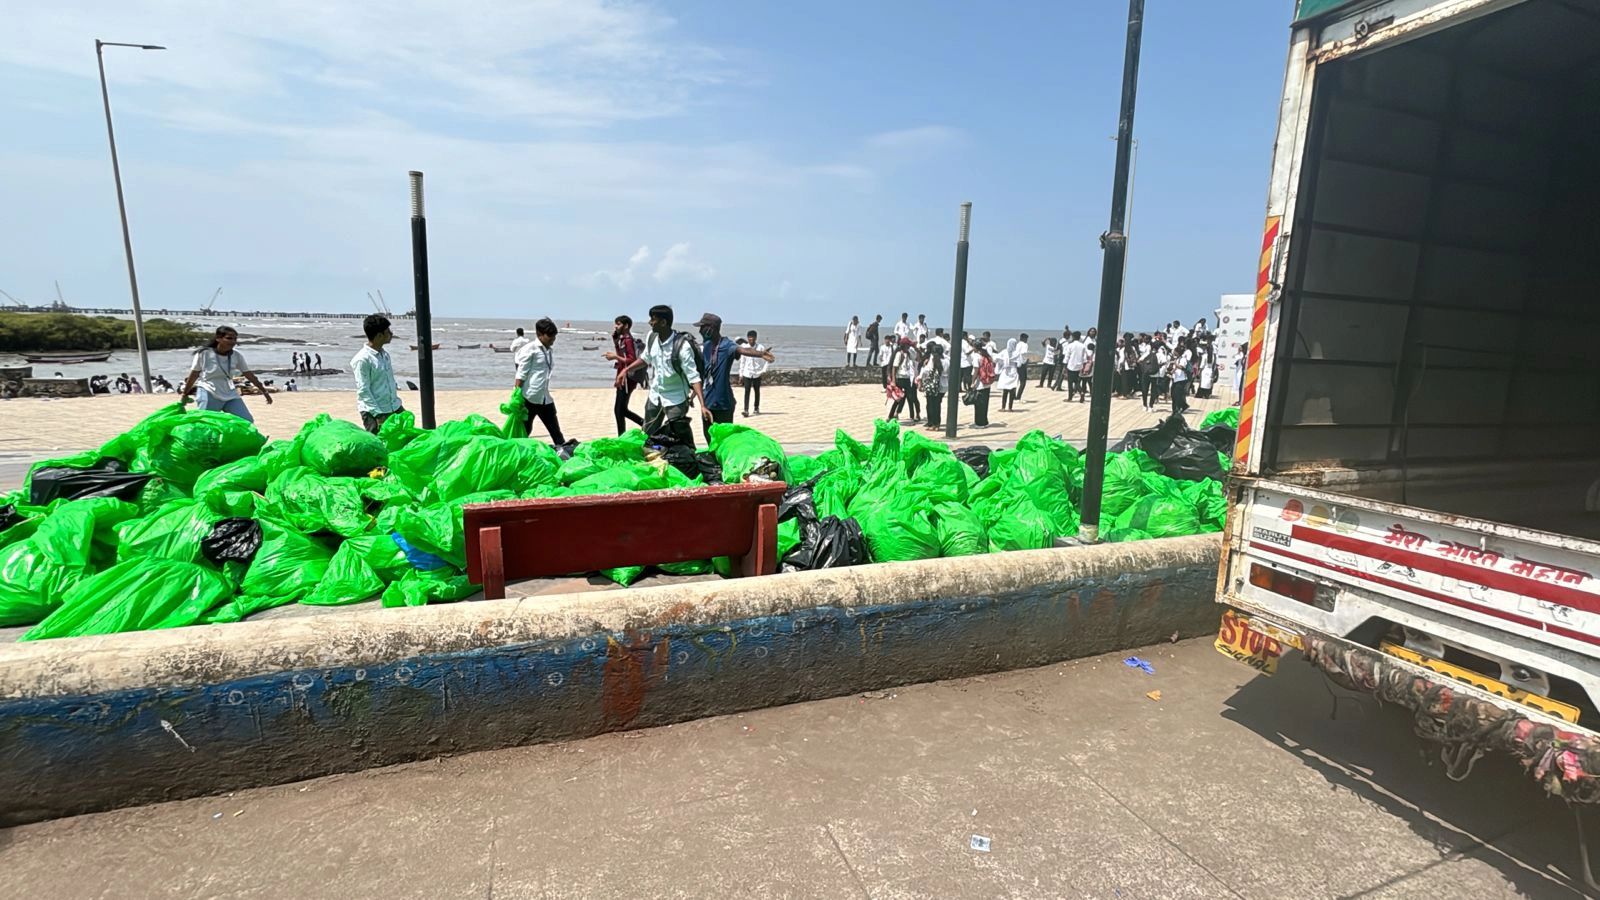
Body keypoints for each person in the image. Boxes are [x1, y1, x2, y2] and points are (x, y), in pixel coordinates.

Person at [693, 313, 773, 442]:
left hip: (724, 404)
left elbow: (742, 350)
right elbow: (704, 373)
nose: (700, 330)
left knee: (725, 442)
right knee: (709, 439)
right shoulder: (706, 345)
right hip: (707, 403)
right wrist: (694, 396)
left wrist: (761, 354)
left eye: (702, 327)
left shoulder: (727, 345)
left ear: (711, 328)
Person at [181, 326, 273, 422]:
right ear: (218, 339)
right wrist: (185, 393)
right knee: (206, 422)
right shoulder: (204, 354)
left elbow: (249, 374)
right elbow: (194, 374)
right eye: (229, 338)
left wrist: (264, 391)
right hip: (209, 391)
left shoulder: (236, 356)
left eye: (235, 339)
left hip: (230, 393)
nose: (233, 341)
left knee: (246, 421)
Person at [514, 318, 565, 445]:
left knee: (556, 432)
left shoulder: (548, 350)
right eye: (550, 336)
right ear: (539, 334)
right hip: (529, 397)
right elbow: (521, 374)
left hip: (544, 398)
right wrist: (516, 395)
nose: (553, 338)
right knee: (525, 431)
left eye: (554, 336)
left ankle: (565, 456)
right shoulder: (530, 349)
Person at [351, 314, 403, 434]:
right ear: (379, 336)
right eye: (388, 331)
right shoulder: (362, 359)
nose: (391, 333)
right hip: (374, 411)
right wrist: (378, 415)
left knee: (406, 440)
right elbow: (364, 390)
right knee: (378, 446)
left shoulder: (384, 355)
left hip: (394, 406)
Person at [602, 315, 647, 435]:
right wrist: (616, 343)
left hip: (628, 379)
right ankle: (643, 424)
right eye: (615, 324)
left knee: (619, 410)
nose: (616, 326)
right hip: (622, 377)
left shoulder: (627, 340)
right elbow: (623, 356)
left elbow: (632, 360)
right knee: (621, 409)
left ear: (626, 326)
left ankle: (640, 426)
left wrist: (615, 357)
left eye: (618, 324)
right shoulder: (622, 339)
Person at [889, 339, 921, 423]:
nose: (909, 347)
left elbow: (917, 358)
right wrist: (894, 381)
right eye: (908, 346)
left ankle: (912, 416)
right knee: (898, 398)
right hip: (900, 378)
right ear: (904, 346)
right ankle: (890, 415)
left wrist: (915, 348)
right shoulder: (899, 354)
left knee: (911, 398)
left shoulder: (910, 354)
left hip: (908, 378)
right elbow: (894, 368)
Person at [739, 329, 769, 417]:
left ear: (755, 338)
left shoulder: (760, 347)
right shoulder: (745, 348)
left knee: (757, 391)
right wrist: (740, 374)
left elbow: (767, 359)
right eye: (749, 337)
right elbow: (742, 362)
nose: (750, 339)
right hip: (747, 372)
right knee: (747, 391)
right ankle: (746, 410)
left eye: (752, 337)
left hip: (757, 372)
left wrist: (764, 370)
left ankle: (756, 408)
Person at [921, 342, 945, 431]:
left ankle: (932, 424)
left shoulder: (933, 359)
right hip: (943, 386)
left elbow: (926, 372)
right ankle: (937, 424)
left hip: (933, 385)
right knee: (937, 405)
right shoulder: (946, 360)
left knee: (931, 405)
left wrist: (920, 380)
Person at [1168, 336, 1194, 416]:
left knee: (1178, 395)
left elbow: (1182, 367)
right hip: (1175, 379)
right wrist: (1171, 372)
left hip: (1181, 380)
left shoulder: (1183, 359)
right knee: (1173, 395)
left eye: (1175, 352)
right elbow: (1176, 368)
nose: (1174, 353)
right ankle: (1175, 409)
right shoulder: (1177, 359)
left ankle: (1178, 409)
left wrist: (1175, 363)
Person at [996, 338, 1021, 412]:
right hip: (1013, 371)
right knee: (1012, 390)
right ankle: (1010, 407)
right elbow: (1019, 364)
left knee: (1005, 390)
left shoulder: (1004, 352)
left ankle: (1003, 407)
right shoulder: (1017, 353)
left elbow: (997, 358)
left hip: (1005, 371)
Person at [1063, 331, 1088, 402]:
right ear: (1079, 337)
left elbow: (1067, 356)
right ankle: (1081, 392)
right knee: (1076, 381)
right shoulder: (1083, 346)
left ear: (1073, 337)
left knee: (1070, 382)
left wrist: (1065, 366)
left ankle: (1070, 397)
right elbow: (1084, 358)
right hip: (1079, 365)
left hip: (1071, 365)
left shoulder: (1070, 345)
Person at [1014, 333, 1030, 401]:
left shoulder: (1017, 344)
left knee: (1015, 381)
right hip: (1022, 364)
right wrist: (1026, 361)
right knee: (1023, 382)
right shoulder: (1025, 345)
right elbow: (1024, 353)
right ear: (1024, 338)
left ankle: (1013, 395)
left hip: (1016, 363)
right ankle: (1018, 396)